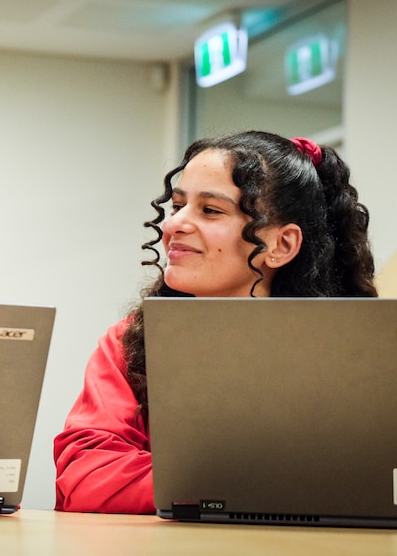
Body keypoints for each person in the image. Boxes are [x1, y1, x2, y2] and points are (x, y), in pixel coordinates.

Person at [53, 130, 379, 514]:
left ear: (282, 245)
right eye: (177, 205)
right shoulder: (131, 342)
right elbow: (87, 478)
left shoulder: (361, 350)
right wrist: (279, 482)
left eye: (210, 210)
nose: (173, 225)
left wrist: (202, 483)